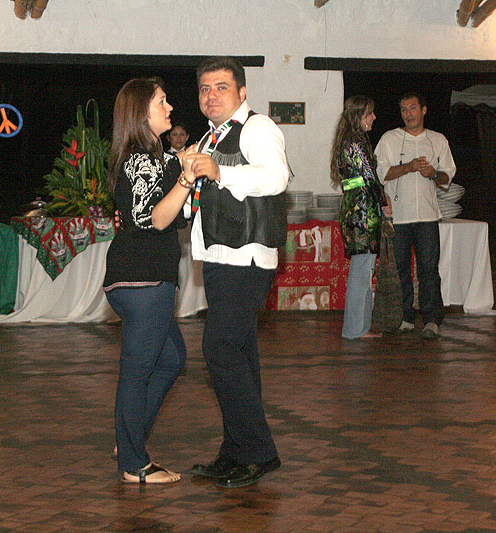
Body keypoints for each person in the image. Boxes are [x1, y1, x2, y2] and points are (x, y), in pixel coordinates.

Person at [184, 56, 289, 488]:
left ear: (242, 92)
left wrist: (218, 170)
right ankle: (236, 452)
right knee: (240, 355)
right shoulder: (210, 137)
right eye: (205, 89)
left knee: (220, 350)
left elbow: (276, 177)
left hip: (245, 257)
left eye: (221, 87)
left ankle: (259, 452)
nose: (211, 96)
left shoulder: (257, 127)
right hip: (220, 257)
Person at [103, 77, 195, 484]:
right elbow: (154, 219)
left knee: (172, 359)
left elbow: (168, 209)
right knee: (137, 372)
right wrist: (185, 178)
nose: (169, 107)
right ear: (142, 113)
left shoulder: (150, 159)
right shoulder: (141, 159)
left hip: (143, 278)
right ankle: (134, 464)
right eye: (162, 101)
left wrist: (181, 167)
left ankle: (129, 438)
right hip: (142, 280)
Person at [375, 93, 456, 339]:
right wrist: (408, 167)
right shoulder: (389, 138)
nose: (408, 114)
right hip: (398, 218)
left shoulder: (437, 140)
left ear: (424, 110)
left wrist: (433, 173)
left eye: (412, 108)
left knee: (429, 270)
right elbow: (381, 174)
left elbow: (447, 177)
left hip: (427, 217)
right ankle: (405, 318)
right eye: (403, 110)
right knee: (400, 270)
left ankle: (432, 319)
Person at [330, 95, 391, 339]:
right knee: (362, 272)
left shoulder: (349, 140)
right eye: (369, 113)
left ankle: (361, 327)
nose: (373, 117)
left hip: (357, 208)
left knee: (363, 270)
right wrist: (384, 201)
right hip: (362, 211)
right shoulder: (355, 142)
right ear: (359, 116)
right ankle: (355, 328)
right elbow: (369, 176)